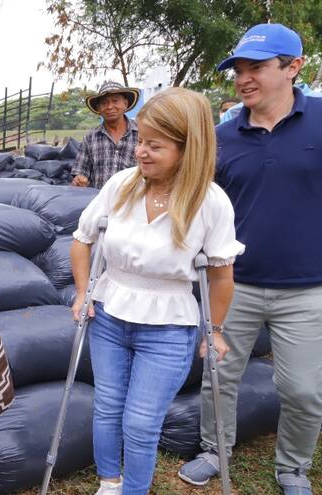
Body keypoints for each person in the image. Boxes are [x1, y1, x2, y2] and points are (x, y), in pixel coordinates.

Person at [72, 87, 243, 495]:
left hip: (169, 327)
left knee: (141, 421)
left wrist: (214, 329)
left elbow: (220, 274)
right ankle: (108, 484)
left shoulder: (211, 202)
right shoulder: (120, 185)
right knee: (108, 407)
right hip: (110, 313)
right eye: (141, 142)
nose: (140, 152)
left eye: (154, 145)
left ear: (188, 149)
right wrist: (82, 293)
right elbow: (82, 240)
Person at [178, 23, 322, 495]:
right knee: (218, 377)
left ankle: (293, 469)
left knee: (302, 390)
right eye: (238, 69)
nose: (244, 78)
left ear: (294, 67)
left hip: (306, 287)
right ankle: (212, 451)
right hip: (232, 284)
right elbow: (196, 202)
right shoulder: (221, 137)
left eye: (256, 67)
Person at [71, 81, 141, 189]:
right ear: (98, 109)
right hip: (99, 201)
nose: (109, 107)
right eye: (104, 103)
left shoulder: (141, 133)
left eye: (115, 101)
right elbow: (80, 171)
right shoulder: (90, 138)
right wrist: (79, 180)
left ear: (125, 104)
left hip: (134, 200)